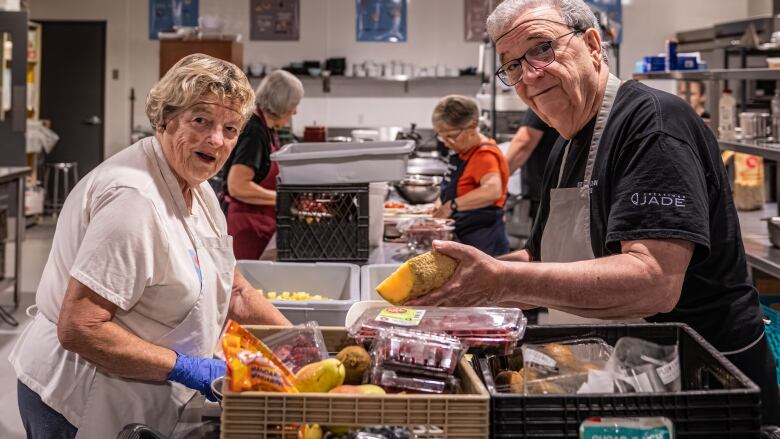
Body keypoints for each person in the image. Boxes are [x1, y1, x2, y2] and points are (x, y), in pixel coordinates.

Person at [410, 0, 779, 424]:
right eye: (511, 65)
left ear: (592, 44)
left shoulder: (653, 125)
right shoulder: (565, 145)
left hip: (701, 392)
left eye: (542, 48)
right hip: (614, 380)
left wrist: (498, 282)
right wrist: (462, 286)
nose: (528, 75)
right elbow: (543, 261)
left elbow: (654, 282)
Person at [9, 54, 291, 439]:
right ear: (165, 118)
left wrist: (300, 348)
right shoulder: (134, 200)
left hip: (139, 388)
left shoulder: (200, 189)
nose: (216, 139)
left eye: (230, 128)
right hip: (81, 398)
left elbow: (235, 289)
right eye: (201, 121)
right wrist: (185, 367)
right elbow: (79, 327)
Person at [221, 70, 304, 259]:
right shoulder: (254, 132)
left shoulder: (266, 128)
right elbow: (237, 186)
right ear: (282, 103)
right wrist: (284, 198)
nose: (295, 111)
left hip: (258, 225)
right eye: (294, 105)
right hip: (246, 228)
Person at [432, 95, 511, 257]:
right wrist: (439, 203)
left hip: (484, 243)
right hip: (466, 238)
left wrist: (450, 206)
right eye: (441, 136)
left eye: (451, 135)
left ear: (473, 125)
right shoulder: (463, 154)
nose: (446, 142)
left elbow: (492, 190)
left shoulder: (485, 154)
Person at [506, 109, 560, 219]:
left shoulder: (544, 99)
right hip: (564, 187)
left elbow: (524, 142)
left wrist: (499, 177)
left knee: (546, 234)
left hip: (546, 189)